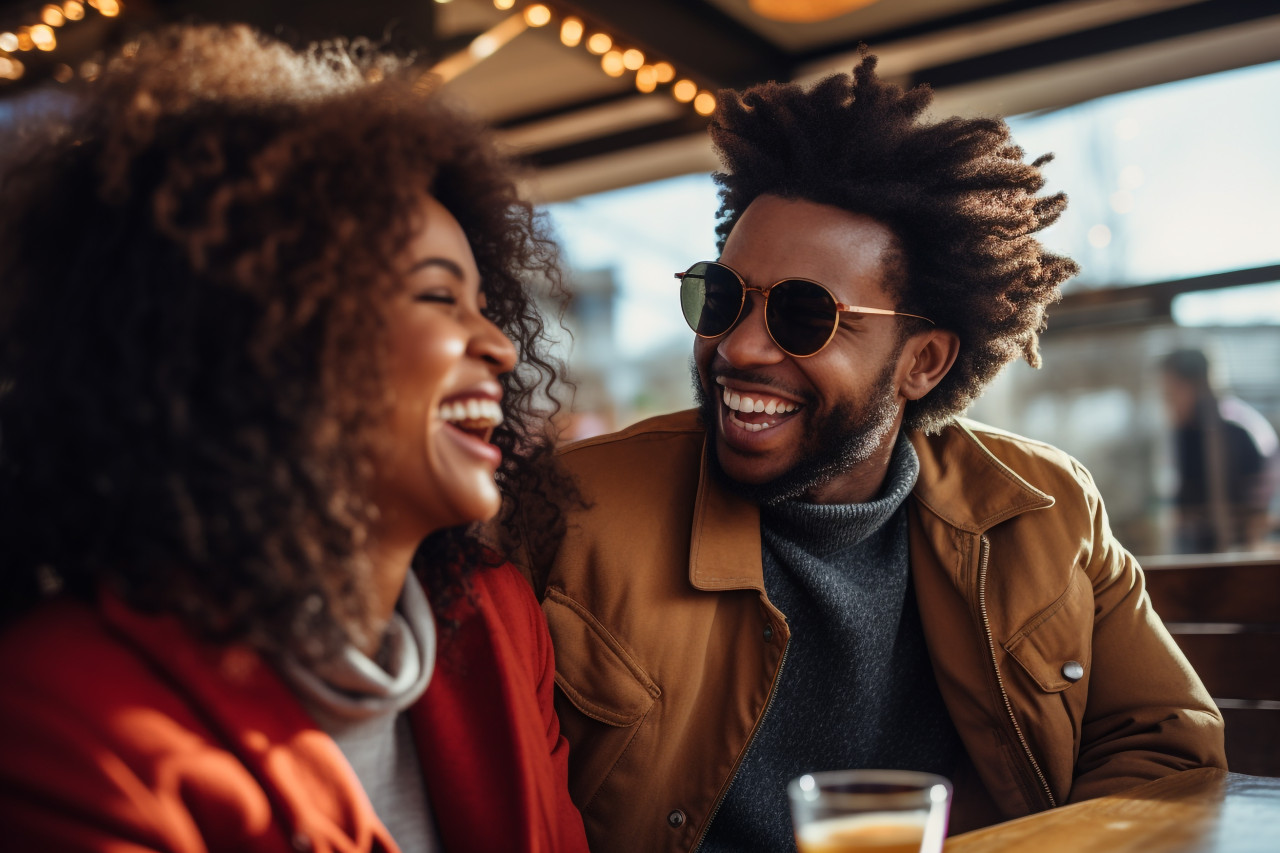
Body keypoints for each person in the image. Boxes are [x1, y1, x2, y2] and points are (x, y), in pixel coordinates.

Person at [516, 56, 1227, 852]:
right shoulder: (567, 512)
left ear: (923, 361)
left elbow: (1164, 751)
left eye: (804, 316)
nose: (739, 348)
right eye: (721, 297)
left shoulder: (1048, 512)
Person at [0, 24, 586, 853]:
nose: (501, 346)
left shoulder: (504, 619)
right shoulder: (62, 719)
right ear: (265, 338)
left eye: (487, 306)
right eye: (438, 297)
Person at [1160, 348, 1279, 553]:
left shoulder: (1237, 432)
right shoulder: (1183, 435)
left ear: (1195, 386)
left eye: (1171, 393)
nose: (1167, 404)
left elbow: (1258, 513)